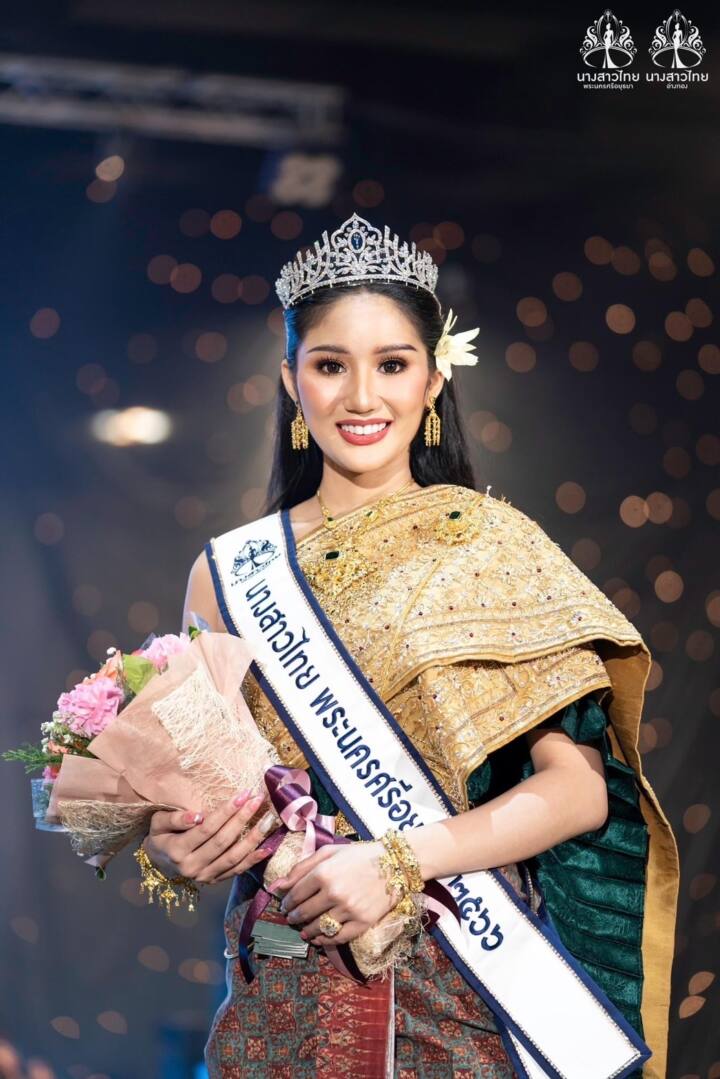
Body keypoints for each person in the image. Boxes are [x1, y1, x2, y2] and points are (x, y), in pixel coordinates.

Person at [140, 214, 679, 1078]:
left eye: (391, 365)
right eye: (330, 365)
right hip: (282, 985)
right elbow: (206, 795)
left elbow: (578, 791)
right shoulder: (228, 572)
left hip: (459, 985)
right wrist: (173, 845)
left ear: (433, 379)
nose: (362, 397)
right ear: (291, 381)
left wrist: (396, 860)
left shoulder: (494, 545)